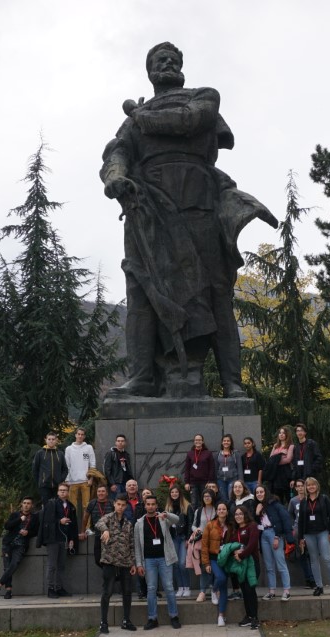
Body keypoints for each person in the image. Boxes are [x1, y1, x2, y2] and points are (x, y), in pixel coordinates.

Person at [101, 42, 277, 399]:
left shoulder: (204, 97)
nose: (167, 63)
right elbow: (117, 151)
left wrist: (138, 114)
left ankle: (231, 382)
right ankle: (142, 377)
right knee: (141, 291)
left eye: (173, 60)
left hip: (200, 205)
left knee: (216, 293)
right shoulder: (132, 122)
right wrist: (115, 176)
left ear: (181, 67)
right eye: (159, 60)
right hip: (146, 208)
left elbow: (187, 121)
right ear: (150, 72)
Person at [134, 495, 182, 630]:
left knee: (169, 587)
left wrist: (166, 514)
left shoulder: (162, 519)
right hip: (148, 560)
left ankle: (174, 616)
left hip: (164, 559)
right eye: (148, 504)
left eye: (153, 504)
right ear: (145, 506)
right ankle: (152, 618)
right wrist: (139, 564)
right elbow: (137, 546)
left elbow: (177, 520)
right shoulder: (139, 523)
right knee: (151, 589)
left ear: (156, 505)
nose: (150, 506)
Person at [95, 497, 139, 633]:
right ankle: (103, 622)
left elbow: (131, 544)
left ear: (126, 507)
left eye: (123, 505)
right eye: (118, 504)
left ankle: (126, 620)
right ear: (114, 504)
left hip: (125, 562)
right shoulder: (108, 518)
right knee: (107, 592)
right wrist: (105, 530)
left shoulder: (128, 523)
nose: (120, 507)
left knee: (127, 592)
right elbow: (98, 523)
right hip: (110, 561)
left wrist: (133, 563)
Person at [297, 477, 330, 596]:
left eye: (313, 485)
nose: (311, 487)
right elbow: (301, 521)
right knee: (314, 560)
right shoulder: (304, 502)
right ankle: (319, 586)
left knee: (326, 558)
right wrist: (300, 538)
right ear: (306, 487)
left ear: (317, 486)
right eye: (308, 485)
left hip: (323, 532)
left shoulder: (324, 498)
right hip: (309, 534)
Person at [220, 505, 260, 629]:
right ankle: (248, 616)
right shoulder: (234, 530)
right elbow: (230, 546)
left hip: (252, 563)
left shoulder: (252, 526)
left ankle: (255, 618)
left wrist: (241, 555)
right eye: (236, 514)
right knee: (244, 591)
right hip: (240, 565)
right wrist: (234, 552)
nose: (238, 516)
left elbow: (252, 544)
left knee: (250, 590)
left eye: (240, 514)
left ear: (245, 514)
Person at [37, 483, 77, 598]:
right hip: (53, 538)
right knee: (52, 565)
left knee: (61, 565)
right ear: (58, 492)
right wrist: (59, 521)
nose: (62, 492)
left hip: (64, 539)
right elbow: (46, 520)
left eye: (65, 490)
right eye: (60, 490)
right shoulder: (52, 503)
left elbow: (73, 524)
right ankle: (51, 589)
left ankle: (59, 588)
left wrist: (71, 539)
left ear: (68, 492)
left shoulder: (70, 506)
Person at [200, 500, 236, 625]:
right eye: (219, 509)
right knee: (220, 578)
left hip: (226, 559)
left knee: (224, 587)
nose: (221, 511)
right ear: (216, 511)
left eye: (224, 509)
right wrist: (206, 563)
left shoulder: (231, 525)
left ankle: (221, 616)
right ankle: (214, 589)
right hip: (214, 558)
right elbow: (204, 545)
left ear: (227, 511)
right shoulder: (210, 525)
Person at [254, 485, 293, 601]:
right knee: (269, 565)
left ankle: (286, 590)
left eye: (261, 492)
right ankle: (271, 591)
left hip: (274, 534)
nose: (259, 494)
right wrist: (257, 513)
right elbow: (256, 524)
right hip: (263, 535)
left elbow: (283, 520)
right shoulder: (258, 506)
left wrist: (277, 536)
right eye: (257, 493)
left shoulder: (274, 504)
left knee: (280, 563)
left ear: (266, 492)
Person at [0, 498, 36, 599]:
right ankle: (8, 590)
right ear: (21, 504)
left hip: (21, 545)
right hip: (8, 544)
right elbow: (7, 526)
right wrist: (20, 519)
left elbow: (36, 531)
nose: (26, 505)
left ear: (31, 505)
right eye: (24, 503)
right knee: (7, 567)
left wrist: (27, 533)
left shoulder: (34, 517)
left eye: (28, 503)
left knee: (14, 564)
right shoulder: (15, 515)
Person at [164, 483, 193, 597]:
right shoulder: (168, 508)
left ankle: (187, 587)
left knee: (182, 563)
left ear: (180, 493)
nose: (174, 494)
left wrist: (188, 538)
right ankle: (180, 587)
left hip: (183, 538)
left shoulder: (187, 506)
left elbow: (190, 522)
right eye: (172, 492)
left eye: (176, 492)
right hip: (173, 538)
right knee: (175, 564)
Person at [190, 488, 219, 601]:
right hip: (202, 541)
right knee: (204, 566)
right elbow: (193, 525)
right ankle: (202, 591)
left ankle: (214, 589)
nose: (207, 498)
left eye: (209, 496)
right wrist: (196, 529)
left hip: (215, 541)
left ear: (213, 497)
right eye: (205, 496)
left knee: (215, 565)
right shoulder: (199, 510)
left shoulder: (217, 509)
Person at [288, 478, 317, 588]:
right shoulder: (293, 501)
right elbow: (290, 515)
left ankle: (314, 579)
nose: (300, 488)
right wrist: (293, 528)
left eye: (302, 485)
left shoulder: (309, 498)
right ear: (295, 488)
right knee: (302, 555)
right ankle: (309, 579)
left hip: (310, 530)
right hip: (298, 531)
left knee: (311, 555)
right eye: (298, 486)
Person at [64, 427, 97, 512]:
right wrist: (67, 479)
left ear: (84, 436)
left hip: (85, 481)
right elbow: (67, 465)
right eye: (78, 434)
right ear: (75, 435)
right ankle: (72, 521)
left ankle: (87, 521)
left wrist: (91, 478)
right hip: (72, 481)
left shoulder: (89, 447)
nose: (80, 436)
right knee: (72, 505)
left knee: (86, 505)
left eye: (82, 435)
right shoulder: (69, 449)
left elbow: (92, 463)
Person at [82, 484, 113, 567]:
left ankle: (109, 573)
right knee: (97, 559)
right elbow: (85, 517)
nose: (101, 493)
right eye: (99, 491)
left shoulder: (112, 503)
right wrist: (82, 531)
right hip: (98, 535)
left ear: (107, 493)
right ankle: (107, 572)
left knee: (110, 559)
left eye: (103, 491)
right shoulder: (92, 503)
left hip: (110, 535)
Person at [32, 432, 68, 504]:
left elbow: (65, 469)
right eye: (49, 439)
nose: (51, 441)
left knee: (57, 505)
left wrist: (60, 480)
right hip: (44, 486)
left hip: (57, 486)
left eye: (53, 439)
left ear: (56, 440)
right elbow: (35, 469)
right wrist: (40, 482)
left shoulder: (60, 454)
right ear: (46, 440)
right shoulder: (40, 453)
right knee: (47, 506)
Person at [182, 434, 215, 508]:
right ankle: (194, 516)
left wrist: (210, 481)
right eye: (196, 440)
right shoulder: (190, 453)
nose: (198, 441)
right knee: (194, 503)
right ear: (194, 441)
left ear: (202, 441)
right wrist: (187, 482)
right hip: (193, 483)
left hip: (205, 483)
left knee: (205, 502)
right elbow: (187, 468)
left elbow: (211, 468)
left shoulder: (208, 453)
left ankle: (204, 515)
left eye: (199, 440)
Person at [266, 426, 295, 500]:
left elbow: (288, 459)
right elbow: (270, 459)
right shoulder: (276, 445)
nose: (281, 434)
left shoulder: (290, 446)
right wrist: (278, 458)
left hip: (285, 473)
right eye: (280, 433)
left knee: (288, 495)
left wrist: (275, 461)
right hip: (275, 473)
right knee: (277, 496)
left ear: (287, 435)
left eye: (283, 433)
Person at [104, 434, 134, 500]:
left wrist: (131, 480)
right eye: (118, 441)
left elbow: (128, 469)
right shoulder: (111, 453)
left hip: (126, 483)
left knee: (126, 502)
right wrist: (111, 484)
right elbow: (107, 470)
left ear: (125, 443)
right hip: (116, 483)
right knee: (117, 502)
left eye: (122, 441)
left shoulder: (126, 454)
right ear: (116, 442)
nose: (120, 443)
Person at [214, 433, 239, 504]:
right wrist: (215, 480)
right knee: (223, 498)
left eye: (228, 441)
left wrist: (240, 480)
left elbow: (239, 468)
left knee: (231, 497)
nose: (226, 442)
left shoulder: (235, 454)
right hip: (221, 480)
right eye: (224, 441)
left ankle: (232, 510)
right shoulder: (218, 454)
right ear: (222, 442)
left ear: (231, 442)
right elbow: (216, 468)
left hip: (232, 479)